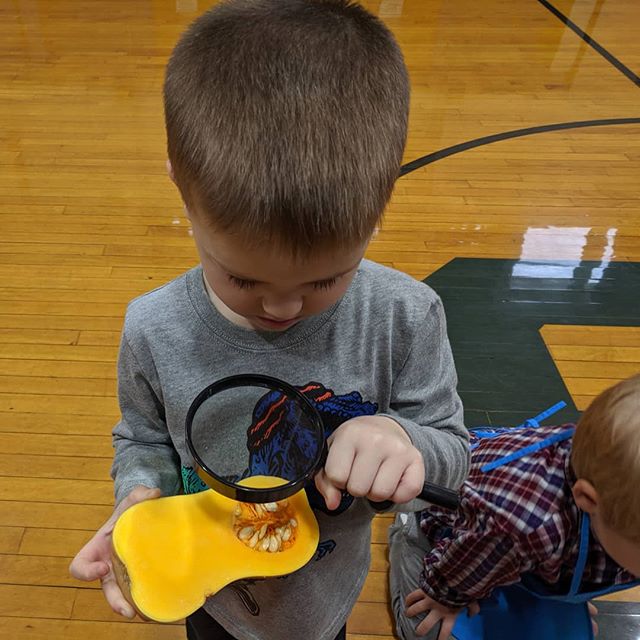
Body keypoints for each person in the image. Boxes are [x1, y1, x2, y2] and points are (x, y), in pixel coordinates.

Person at [68, 2, 470, 639]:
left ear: (380, 206)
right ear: (183, 191)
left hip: (325, 596)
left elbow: (454, 456)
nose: (282, 308)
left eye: (323, 281)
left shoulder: (405, 316)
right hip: (213, 599)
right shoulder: (153, 327)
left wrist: (405, 442)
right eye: (244, 278)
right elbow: (142, 440)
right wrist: (139, 496)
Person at [389, 374, 640, 640]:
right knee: (427, 630)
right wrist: (446, 597)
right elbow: (465, 563)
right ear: (589, 501)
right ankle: (405, 530)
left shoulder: (611, 491)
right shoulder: (525, 523)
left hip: (510, 545)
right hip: (452, 528)